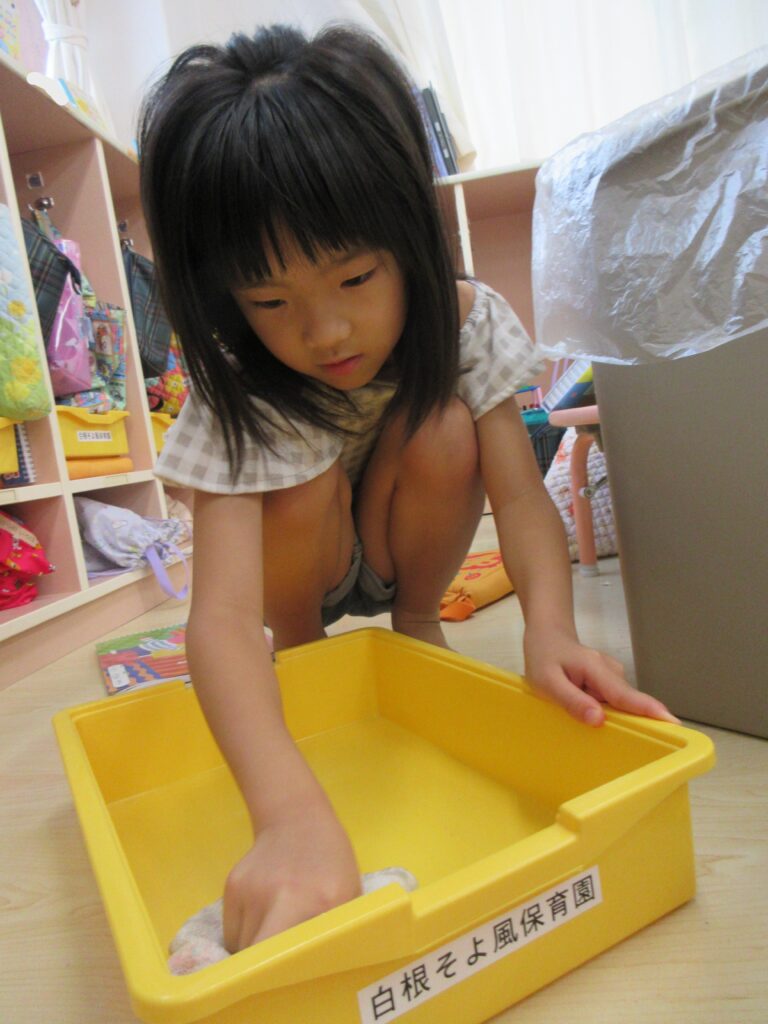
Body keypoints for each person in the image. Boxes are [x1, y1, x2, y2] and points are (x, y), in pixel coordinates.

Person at [140, 22, 678, 956]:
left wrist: (552, 631)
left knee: (444, 426)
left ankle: (417, 624)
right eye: (270, 302)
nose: (324, 331)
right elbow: (221, 619)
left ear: (408, 240)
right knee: (300, 477)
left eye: (355, 276)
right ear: (227, 297)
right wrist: (287, 816)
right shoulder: (237, 384)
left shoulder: (464, 321)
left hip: (400, 548)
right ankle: (309, 658)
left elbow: (521, 498)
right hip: (300, 576)